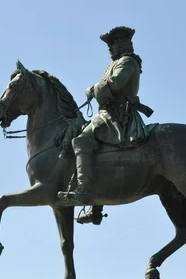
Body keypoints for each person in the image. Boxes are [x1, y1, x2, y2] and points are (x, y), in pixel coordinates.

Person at [62, 26, 153, 224]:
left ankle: (84, 189)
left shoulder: (128, 62)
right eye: (109, 45)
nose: (110, 49)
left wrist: (93, 89)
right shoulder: (116, 62)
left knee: (81, 142)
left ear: (121, 44)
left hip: (117, 115)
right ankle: (95, 210)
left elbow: (116, 83)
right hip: (107, 113)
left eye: (112, 44)